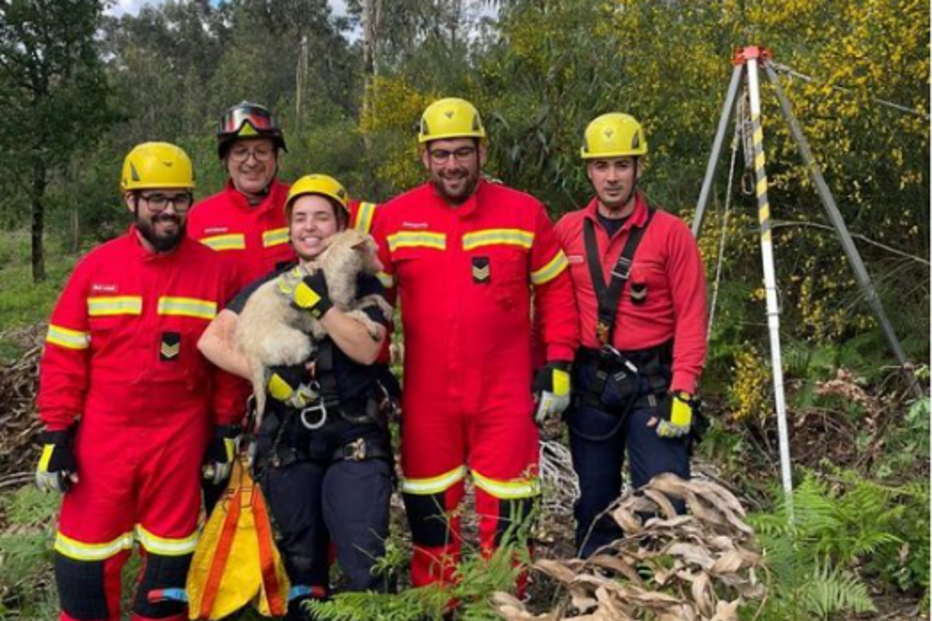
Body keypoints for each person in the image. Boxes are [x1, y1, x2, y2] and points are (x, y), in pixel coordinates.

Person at [371, 97, 579, 589]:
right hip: (427, 400)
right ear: (423, 157)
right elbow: (372, 307)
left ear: (481, 152)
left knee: (511, 517)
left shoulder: (523, 212)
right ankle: (433, 605)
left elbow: (556, 293)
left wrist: (559, 363)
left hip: (504, 397)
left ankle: (504, 603)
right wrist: (375, 370)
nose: (452, 164)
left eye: (462, 152)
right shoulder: (395, 218)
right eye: (440, 154)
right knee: (428, 515)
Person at [34, 143, 244, 621]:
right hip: (103, 437)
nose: (169, 211)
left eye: (179, 199)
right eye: (156, 199)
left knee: (169, 570)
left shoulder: (216, 271)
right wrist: (55, 434)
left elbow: (232, 363)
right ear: (131, 200)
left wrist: (224, 431)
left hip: (180, 436)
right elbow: (65, 355)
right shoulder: (97, 268)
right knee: (82, 567)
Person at [198, 174, 393, 620]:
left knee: (365, 557)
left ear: (341, 225)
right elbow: (211, 341)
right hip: (290, 443)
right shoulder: (273, 284)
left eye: (322, 217)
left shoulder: (366, 287)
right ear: (289, 230)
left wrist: (322, 305)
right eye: (300, 218)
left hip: (353, 439)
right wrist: (264, 375)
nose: (310, 227)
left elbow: (366, 349)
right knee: (300, 568)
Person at [553, 113, 708, 558]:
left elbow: (693, 316)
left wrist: (683, 389)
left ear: (639, 167)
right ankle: (595, 592)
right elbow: (550, 308)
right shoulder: (566, 232)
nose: (612, 177)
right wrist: (550, 370)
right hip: (592, 386)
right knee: (595, 506)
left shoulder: (670, 234)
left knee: (666, 501)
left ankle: (664, 593)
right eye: (602, 166)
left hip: (653, 386)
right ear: (588, 170)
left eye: (622, 165)